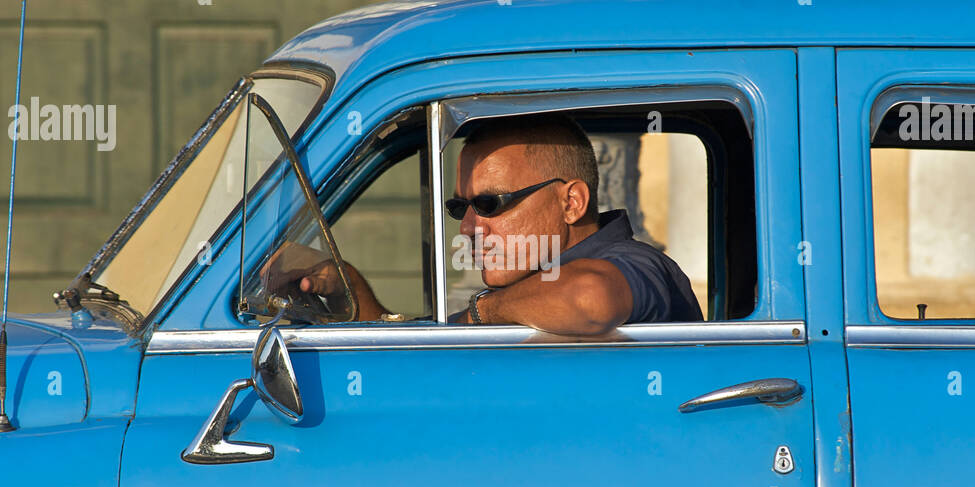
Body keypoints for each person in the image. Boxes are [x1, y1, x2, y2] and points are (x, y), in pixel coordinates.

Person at [263, 114, 703, 334]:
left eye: (491, 203)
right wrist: (347, 286)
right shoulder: (526, 287)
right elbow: (425, 359)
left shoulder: (635, 263)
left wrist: (483, 312)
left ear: (571, 202)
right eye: (462, 208)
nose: (469, 228)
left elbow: (589, 300)